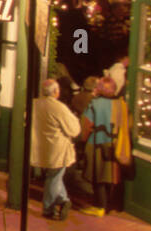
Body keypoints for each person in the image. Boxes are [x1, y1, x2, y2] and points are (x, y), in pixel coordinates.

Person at [31, 79, 82, 220]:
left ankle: (63, 200)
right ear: (55, 92)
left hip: (41, 147)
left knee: (54, 176)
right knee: (54, 177)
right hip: (58, 149)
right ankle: (52, 206)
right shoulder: (59, 108)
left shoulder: (35, 104)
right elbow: (74, 130)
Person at [81, 77, 130, 216]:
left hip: (96, 142)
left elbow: (87, 125)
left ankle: (100, 207)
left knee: (98, 176)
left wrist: (82, 140)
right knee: (110, 176)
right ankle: (108, 205)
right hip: (115, 144)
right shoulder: (121, 104)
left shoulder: (95, 103)